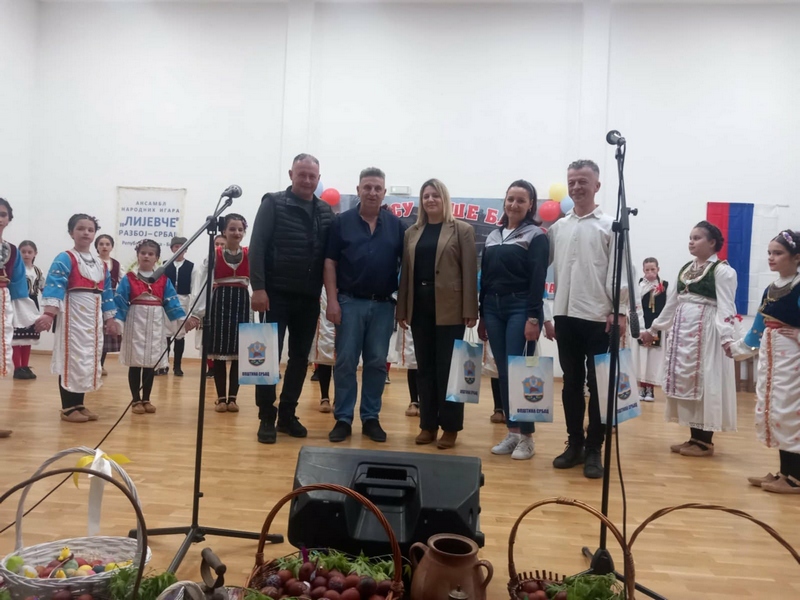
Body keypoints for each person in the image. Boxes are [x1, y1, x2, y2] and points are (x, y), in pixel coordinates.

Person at [548, 160, 627, 479]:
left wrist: (620, 311)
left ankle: (595, 447)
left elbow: (621, 271)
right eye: (572, 181)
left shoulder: (611, 226)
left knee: (599, 385)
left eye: (583, 181)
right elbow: (539, 268)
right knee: (571, 383)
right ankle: (575, 443)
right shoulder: (558, 228)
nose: (576, 186)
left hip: (599, 317)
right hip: (565, 315)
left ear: (597, 185)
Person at [250, 153, 334, 443]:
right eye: (302, 174)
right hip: (274, 295)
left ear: (318, 178)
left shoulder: (325, 211)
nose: (307, 180)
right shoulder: (273, 203)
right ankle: (266, 416)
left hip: (308, 297)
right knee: (266, 358)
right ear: (291, 174)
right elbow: (257, 245)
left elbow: (330, 256)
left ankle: (287, 414)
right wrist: (258, 288)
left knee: (300, 358)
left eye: (312, 176)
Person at [640, 221, 738, 457]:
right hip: (684, 333)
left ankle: (705, 442)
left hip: (708, 335)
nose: (691, 242)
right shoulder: (685, 269)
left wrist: (727, 338)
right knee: (687, 383)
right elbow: (672, 303)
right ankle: (694, 437)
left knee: (705, 383)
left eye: (697, 238)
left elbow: (727, 306)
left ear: (712, 243)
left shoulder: (722, 271)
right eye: (690, 238)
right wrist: (654, 329)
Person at [323, 167, 404, 443]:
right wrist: (332, 301)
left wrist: (404, 304)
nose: (372, 192)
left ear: (384, 192)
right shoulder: (341, 222)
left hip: (383, 306)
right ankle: (343, 419)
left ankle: (370, 418)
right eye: (367, 187)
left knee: (377, 363)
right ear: (358, 190)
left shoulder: (396, 226)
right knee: (345, 361)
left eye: (377, 188)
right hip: (349, 303)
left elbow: (407, 266)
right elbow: (330, 263)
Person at [397, 178, 478, 449]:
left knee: (449, 369)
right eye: (426, 196)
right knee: (425, 369)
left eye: (435, 195)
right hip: (420, 307)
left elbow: (470, 271)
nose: (430, 200)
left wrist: (470, 309)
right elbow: (406, 274)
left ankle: (451, 427)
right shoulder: (412, 232)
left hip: (451, 309)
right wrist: (402, 308)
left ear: (445, 199)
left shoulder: (462, 230)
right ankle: (428, 425)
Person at [477, 180, 547, 460]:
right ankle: (513, 432)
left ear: (531, 205)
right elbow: (485, 278)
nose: (514, 204)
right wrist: (483, 314)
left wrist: (533, 317)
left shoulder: (536, 236)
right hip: (492, 309)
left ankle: (527, 438)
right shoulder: (493, 236)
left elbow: (538, 279)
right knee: (504, 372)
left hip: (521, 307)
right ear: (504, 202)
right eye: (510, 199)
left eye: (521, 200)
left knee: (520, 371)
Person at [35, 214, 120, 423]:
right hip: (73, 317)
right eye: (81, 229)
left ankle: (79, 404)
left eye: (90, 230)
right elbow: (55, 285)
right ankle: (67, 407)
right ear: (71, 232)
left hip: (93, 318)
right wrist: (49, 314)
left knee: (87, 359)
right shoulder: (65, 258)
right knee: (71, 359)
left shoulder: (100, 264)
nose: (86, 233)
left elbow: (107, 292)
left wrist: (110, 319)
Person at [733, 230, 800, 493]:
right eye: (770, 252)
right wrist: (738, 349)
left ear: (796, 257)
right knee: (776, 410)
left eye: (778, 253)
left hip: (794, 358)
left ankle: (796, 478)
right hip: (773, 357)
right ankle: (785, 472)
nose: (771, 257)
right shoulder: (771, 288)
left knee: (791, 411)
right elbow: (758, 327)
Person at [115, 239, 191, 414]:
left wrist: (181, 319)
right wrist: (118, 321)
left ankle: (147, 398)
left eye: (151, 254)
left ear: (157, 258)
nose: (146, 256)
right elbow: (120, 300)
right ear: (138, 255)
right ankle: (135, 400)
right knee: (135, 362)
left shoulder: (163, 280)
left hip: (156, 321)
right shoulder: (129, 278)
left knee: (150, 362)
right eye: (143, 253)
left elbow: (171, 301)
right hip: (135, 320)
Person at [188, 214, 250, 413]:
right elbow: (203, 284)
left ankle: (233, 398)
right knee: (220, 353)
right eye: (232, 229)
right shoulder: (214, 254)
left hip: (242, 302)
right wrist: (198, 312)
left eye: (240, 229)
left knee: (239, 354)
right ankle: (221, 398)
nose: (236, 233)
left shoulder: (250, 253)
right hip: (220, 302)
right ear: (224, 231)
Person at [1, 199, 39, 437]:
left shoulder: (12, 250)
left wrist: (21, 313)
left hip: (3, 301)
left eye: (3, 214)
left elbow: (16, 284)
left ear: (9, 219)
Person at [636, 258, 668, 401]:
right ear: (643, 270)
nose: (650, 272)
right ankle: (641, 387)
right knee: (641, 358)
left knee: (653, 359)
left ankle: (650, 389)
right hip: (642, 326)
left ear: (658, 269)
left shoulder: (664, 285)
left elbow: (668, 306)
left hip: (657, 327)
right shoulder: (639, 285)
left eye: (653, 269)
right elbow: (635, 304)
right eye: (647, 270)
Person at [12, 240, 44, 379]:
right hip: (18, 302)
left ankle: (25, 366)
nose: (26, 254)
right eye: (23, 252)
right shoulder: (14, 270)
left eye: (29, 252)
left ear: (35, 253)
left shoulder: (38, 271)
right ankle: (17, 368)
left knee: (29, 336)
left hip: (33, 302)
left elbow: (43, 287)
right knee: (16, 337)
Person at [164, 236, 194, 377]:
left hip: (183, 300)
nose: (179, 249)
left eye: (182, 246)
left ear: (186, 249)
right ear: (172, 248)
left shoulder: (191, 266)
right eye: (176, 246)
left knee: (180, 334)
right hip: (167, 301)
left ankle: (177, 366)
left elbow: (193, 287)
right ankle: (164, 364)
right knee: (166, 334)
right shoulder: (165, 265)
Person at [95, 234, 123, 376]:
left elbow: (123, 282)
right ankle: (91, 364)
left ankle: (100, 364)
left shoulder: (116, 265)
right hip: (93, 298)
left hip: (109, 300)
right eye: (101, 244)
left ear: (112, 247)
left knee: (105, 333)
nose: (104, 247)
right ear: (97, 246)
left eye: (107, 244)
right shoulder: (92, 262)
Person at [309, 291, 336, 413]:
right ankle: (324, 397)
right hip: (323, 300)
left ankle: (339, 398)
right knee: (324, 351)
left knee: (342, 354)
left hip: (344, 296)